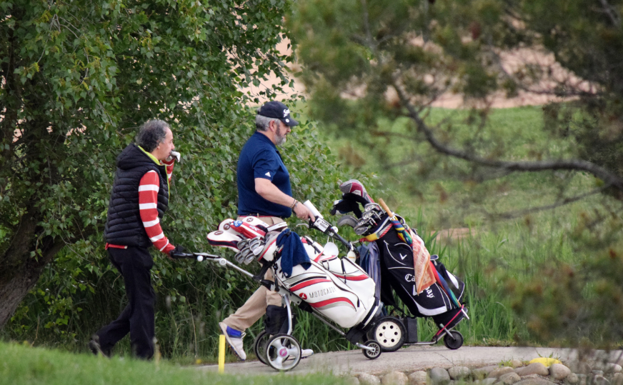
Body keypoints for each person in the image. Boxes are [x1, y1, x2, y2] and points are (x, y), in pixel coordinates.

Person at [218, 101, 315, 361]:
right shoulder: (264, 151)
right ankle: (279, 347)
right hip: (265, 224)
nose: (288, 131)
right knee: (282, 282)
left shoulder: (257, 145)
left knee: (276, 281)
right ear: (273, 125)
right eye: (286, 126)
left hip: (262, 222)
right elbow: (262, 187)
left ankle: (238, 328)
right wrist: (295, 205)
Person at [89, 119, 183, 359]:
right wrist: (167, 247)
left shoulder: (137, 164)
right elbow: (149, 216)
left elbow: (157, 192)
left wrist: (168, 167)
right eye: (170, 141)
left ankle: (102, 341)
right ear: (159, 143)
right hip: (131, 246)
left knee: (141, 299)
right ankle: (144, 358)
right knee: (143, 304)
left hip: (118, 244)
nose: (173, 145)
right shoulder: (149, 171)